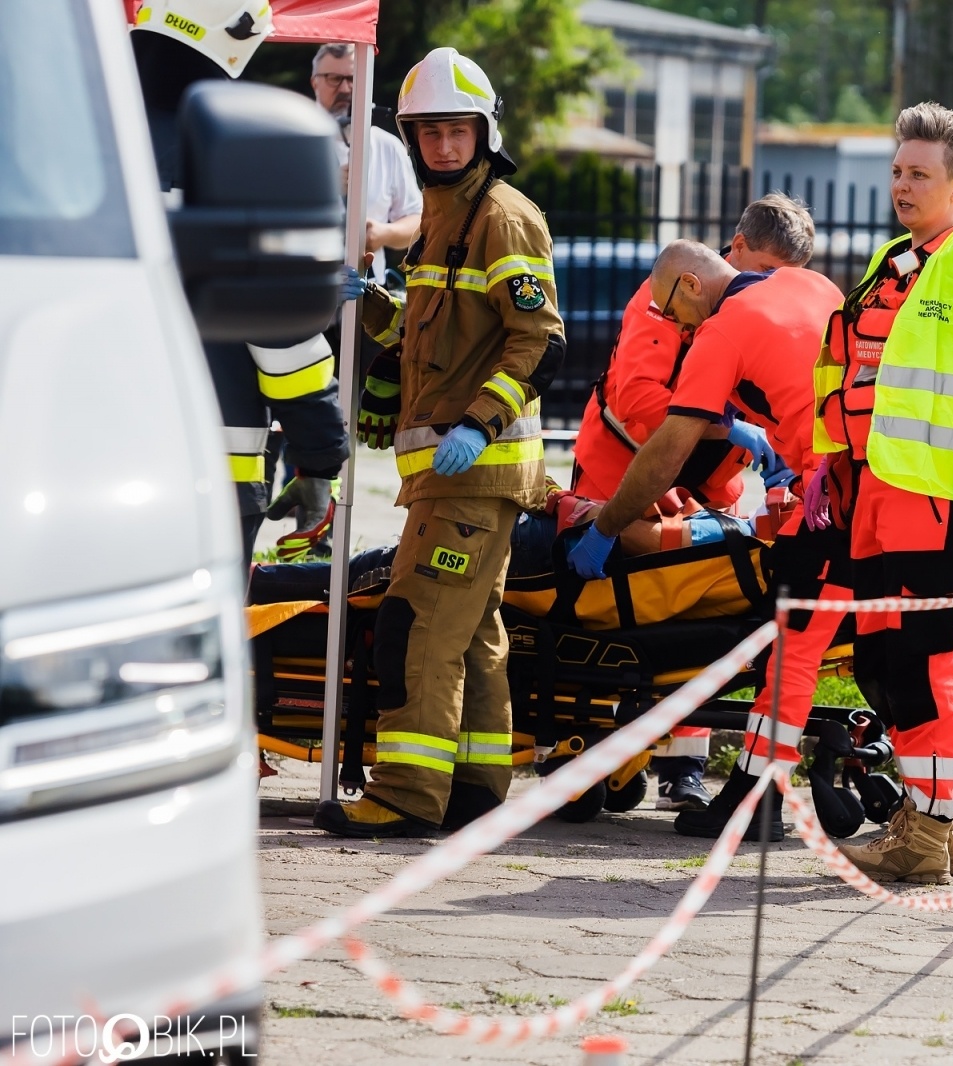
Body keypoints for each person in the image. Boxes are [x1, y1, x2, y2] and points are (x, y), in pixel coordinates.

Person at [314, 47, 567, 837]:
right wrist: (376, 304)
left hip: (475, 470)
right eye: (431, 133)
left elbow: (539, 341)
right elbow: (430, 338)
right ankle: (476, 788)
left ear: (484, 133)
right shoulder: (442, 220)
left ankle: (406, 795)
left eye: (460, 131)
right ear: (412, 137)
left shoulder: (503, 215)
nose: (446, 147)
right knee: (473, 633)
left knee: (417, 626)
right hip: (447, 478)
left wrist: (476, 425)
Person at [813, 102, 953, 884]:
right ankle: (932, 818)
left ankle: (927, 831)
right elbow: (854, 371)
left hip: (936, 498)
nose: (903, 185)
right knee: (877, 661)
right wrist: (826, 459)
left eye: (920, 175)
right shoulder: (891, 262)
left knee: (924, 664)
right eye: (898, 171)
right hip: (875, 490)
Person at [565, 240, 844, 840]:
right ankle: (923, 813)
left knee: (788, 648)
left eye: (672, 310)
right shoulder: (814, 286)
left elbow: (667, 447)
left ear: (691, 285)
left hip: (824, 499)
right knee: (886, 644)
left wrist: (607, 526)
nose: (673, 324)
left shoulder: (723, 329)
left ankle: (753, 800)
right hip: (859, 485)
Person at [131, 0, 349, 566]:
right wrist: (321, 455)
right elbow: (284, 343)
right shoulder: (240, 149)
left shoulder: (69, 136)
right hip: (206, 477)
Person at [308, 43, 421, 279]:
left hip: (367, 298)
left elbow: (417, 220)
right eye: (333, 79)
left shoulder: (387, 146)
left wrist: (383, 233)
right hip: (306, 295)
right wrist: (324, 191)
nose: (345, 88)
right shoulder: (293, 143)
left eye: (352, 78)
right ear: (314, 82)